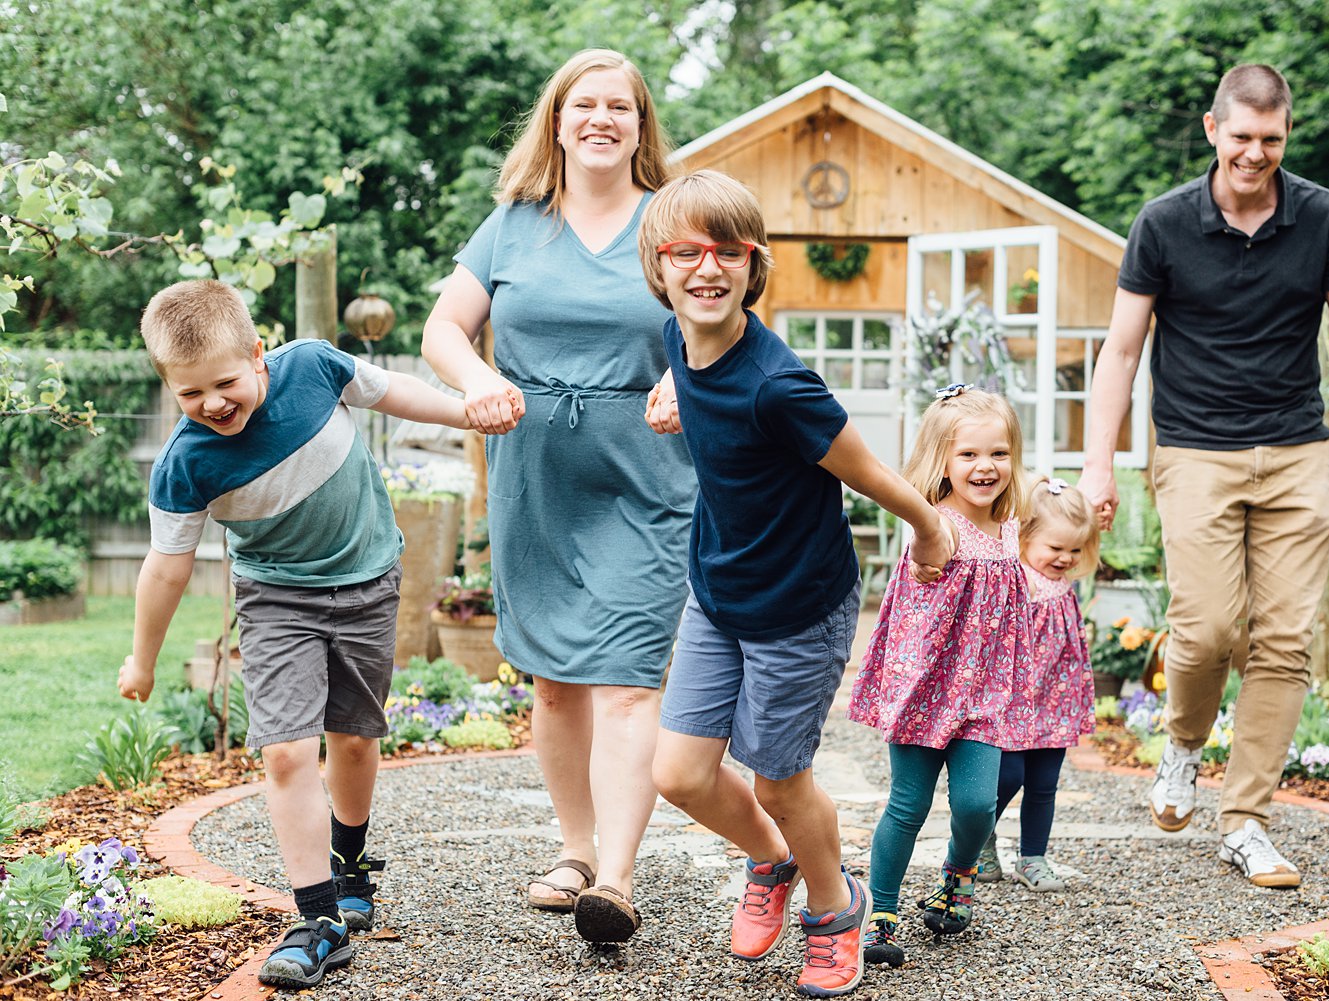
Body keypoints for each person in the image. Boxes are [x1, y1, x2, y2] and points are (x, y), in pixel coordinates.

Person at [1076, 64, 1329, 888]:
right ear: (1213, 130)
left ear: (1284, 137)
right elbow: (1120, 350)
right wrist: (1096, 466)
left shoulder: (1325, 218)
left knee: (1285, 641)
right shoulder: (1163, 224)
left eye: (1272, 139)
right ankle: (1183, 744)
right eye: (1242, 137)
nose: (1256, 154)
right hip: (1194, 450)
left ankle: (1247, 820)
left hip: (1298, 452)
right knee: (1208, 628)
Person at [639, 169, 955, 998]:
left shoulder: (782, 387)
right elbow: (697, 370)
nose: (706, 269)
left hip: (797, 606)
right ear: (660, 267)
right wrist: (672, 387)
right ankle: (773, 859)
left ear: (755, 264)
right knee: (678, 773)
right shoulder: (679, 336)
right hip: (718, 591)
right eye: (686, 252)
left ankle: (833, 905)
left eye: (727, 253)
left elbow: (866, 470)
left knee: (780, 778)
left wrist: (929, 525)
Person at [118, 279, 470, 988]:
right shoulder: (186, 464)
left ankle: (352, 862)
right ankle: (317, 921)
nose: (212, 404)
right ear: (168, 389)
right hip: (277, 599)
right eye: (190, 395)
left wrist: (468, 411)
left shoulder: (312, 367)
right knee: (284, 752)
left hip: (370, 580)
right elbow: (164, 570)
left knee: (354, 739)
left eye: (224, 382)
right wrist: (142, 657)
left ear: (258, 354)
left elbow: (391, 390)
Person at [420, 49, 695, 943]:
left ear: (641, 126)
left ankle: (614, 875)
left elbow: (727, 316)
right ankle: (574, 847)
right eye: (586, 105)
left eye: (622, 106)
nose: (603, 118)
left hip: (646, 474)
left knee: (625, 684)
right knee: (555, 684)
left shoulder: (673, 220)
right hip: (533, 471)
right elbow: (443, 330)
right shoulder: (511, 224)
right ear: (558, 121)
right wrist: (478, 379)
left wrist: (688, 377)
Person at [846, 386, 1031, 970]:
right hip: (926, 692)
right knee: (909, 802)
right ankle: (882, 910)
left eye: (998, 454)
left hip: (987, 695)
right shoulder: (935, 528)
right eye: (969, 455)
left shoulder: (1010, 528)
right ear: (941, 461)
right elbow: (923, 574)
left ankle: (958, 873)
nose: (986, 467)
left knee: (978, 804)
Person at [975, 476, 1101, 894]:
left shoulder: (1063, 583)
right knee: (1007, 774)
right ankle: (978, 840)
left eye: (1074, 550)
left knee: (1045, 783)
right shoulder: (1017, 579)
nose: (1066, 558)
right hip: (1015, 700)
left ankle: (1033, 857)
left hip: (1057, 698)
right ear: (1024, 537)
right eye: (1056, 548)